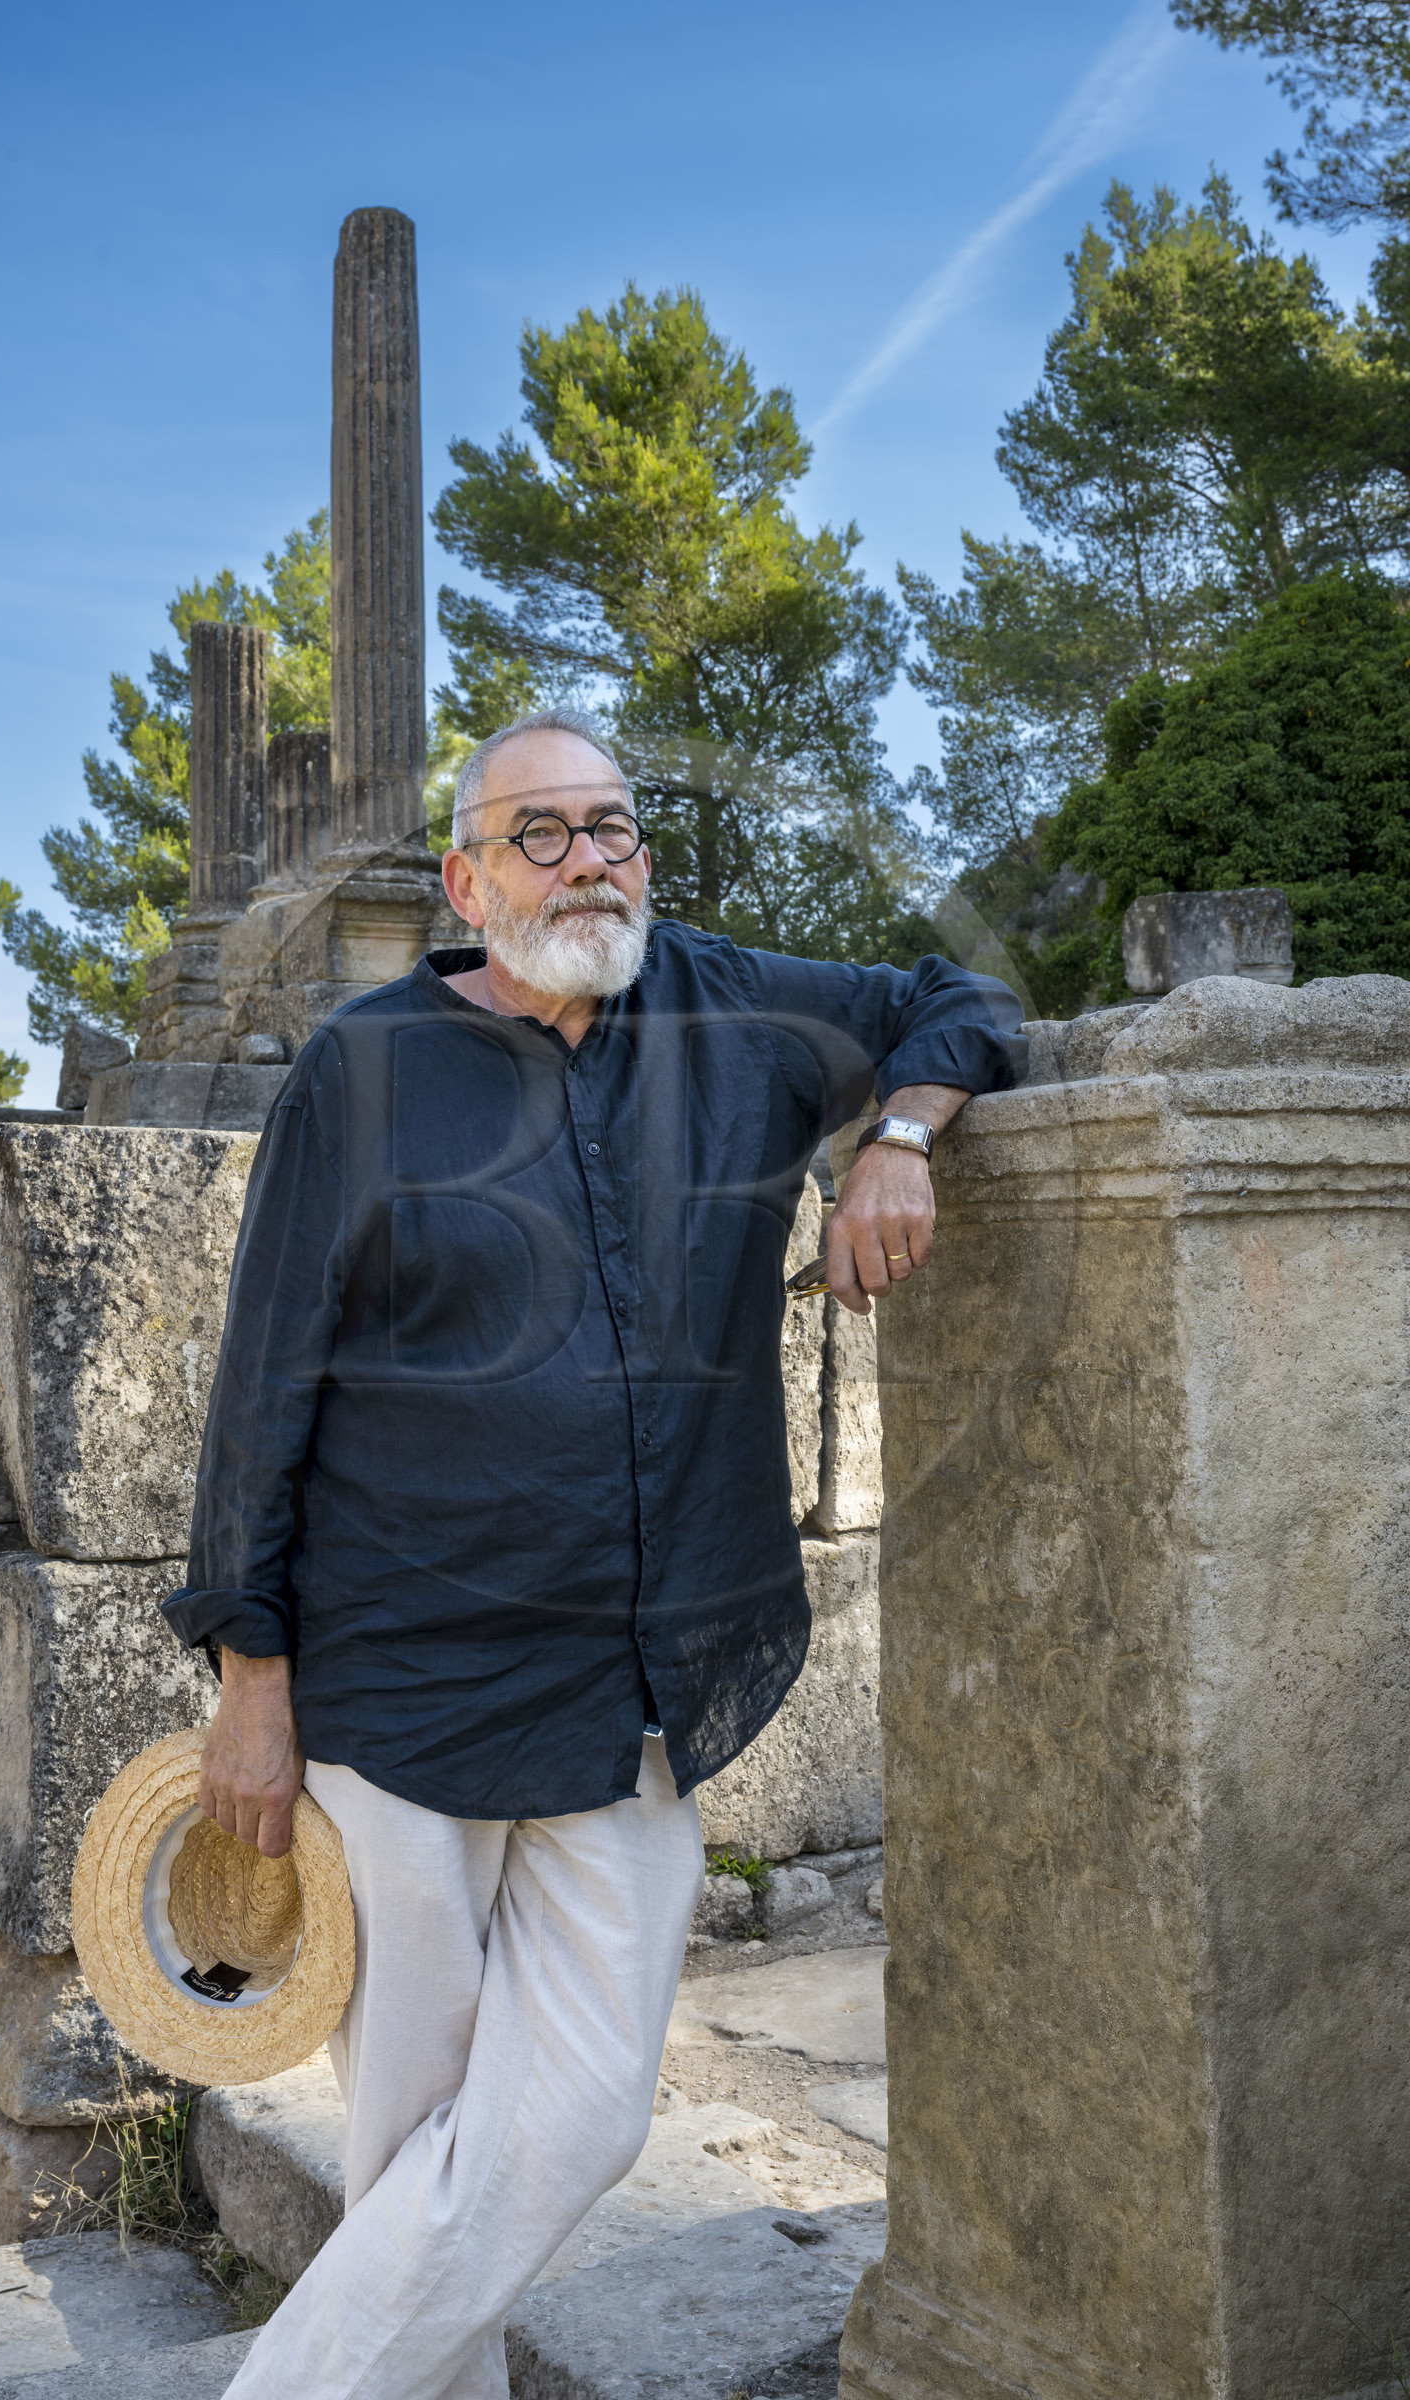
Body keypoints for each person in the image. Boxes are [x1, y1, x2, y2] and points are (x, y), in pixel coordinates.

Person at [163, 706, 1025, 2400]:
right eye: (541, 835)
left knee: (575, 2126)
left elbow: (962, 998)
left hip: (636, 1691)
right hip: (399, 1691)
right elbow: (262, 1387)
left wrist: (899, 1139)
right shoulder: (363, 1066)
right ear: (464, 881)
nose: (591, 863)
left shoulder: (733, 1006)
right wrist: (247, 1682)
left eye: (614, 827)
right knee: (417, 2138)